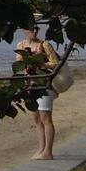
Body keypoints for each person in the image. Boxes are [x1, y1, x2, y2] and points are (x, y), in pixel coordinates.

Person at [16, 26, 60, 160]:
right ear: (24, 30)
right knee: (37, 119)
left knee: (46, 118)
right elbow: (18, 64)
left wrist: (41, 64)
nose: (34, 31)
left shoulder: (44, 44)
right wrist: (26, 62)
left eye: (36, 29)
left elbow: (55, 63)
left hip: (44, 84)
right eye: (31, 29)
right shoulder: (21, 45)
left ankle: (48, 152)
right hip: (29, 85)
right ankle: (41, 149)